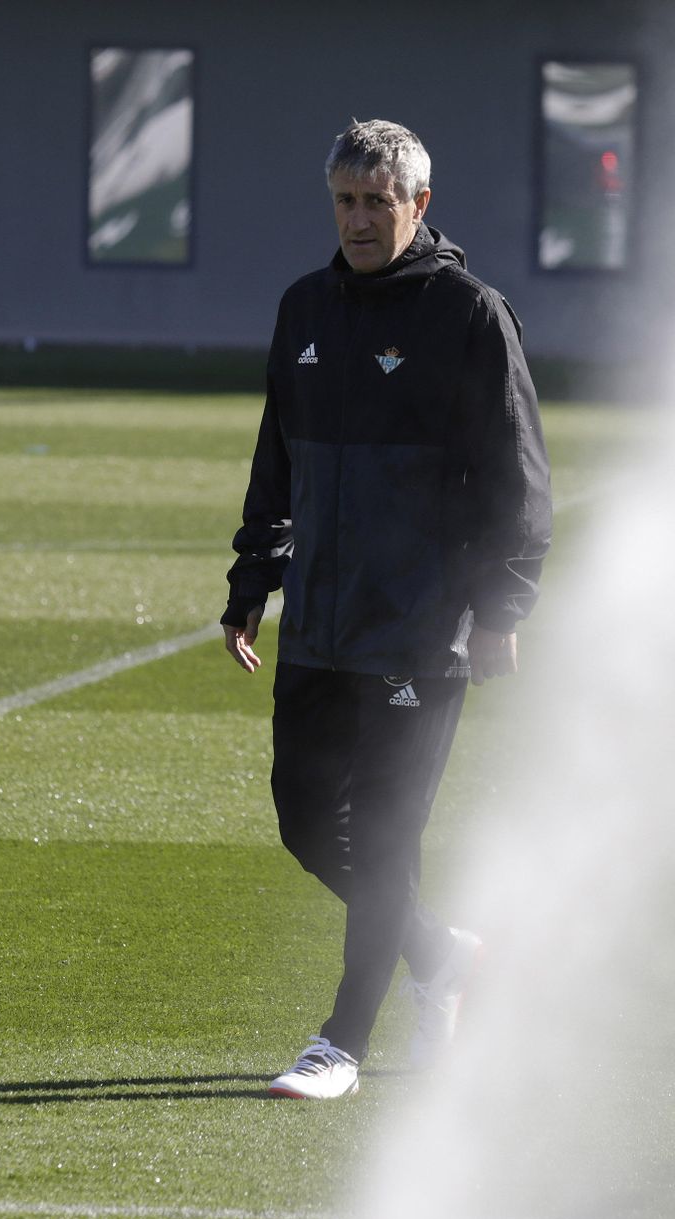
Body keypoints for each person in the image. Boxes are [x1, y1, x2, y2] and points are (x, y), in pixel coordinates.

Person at [220, 119, 551, 1100]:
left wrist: (500, 608)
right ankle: (443, 953)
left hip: (424, 625)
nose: (359, 219)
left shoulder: (469, 316)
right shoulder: (303, 309)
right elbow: (276, 461)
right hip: (322, 622)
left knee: (392, 830)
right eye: (345, 201)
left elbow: (518, 483)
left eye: (377, 201)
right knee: (307, 820)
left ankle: (341, 1044)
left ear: (419, 204)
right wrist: (252, 583)